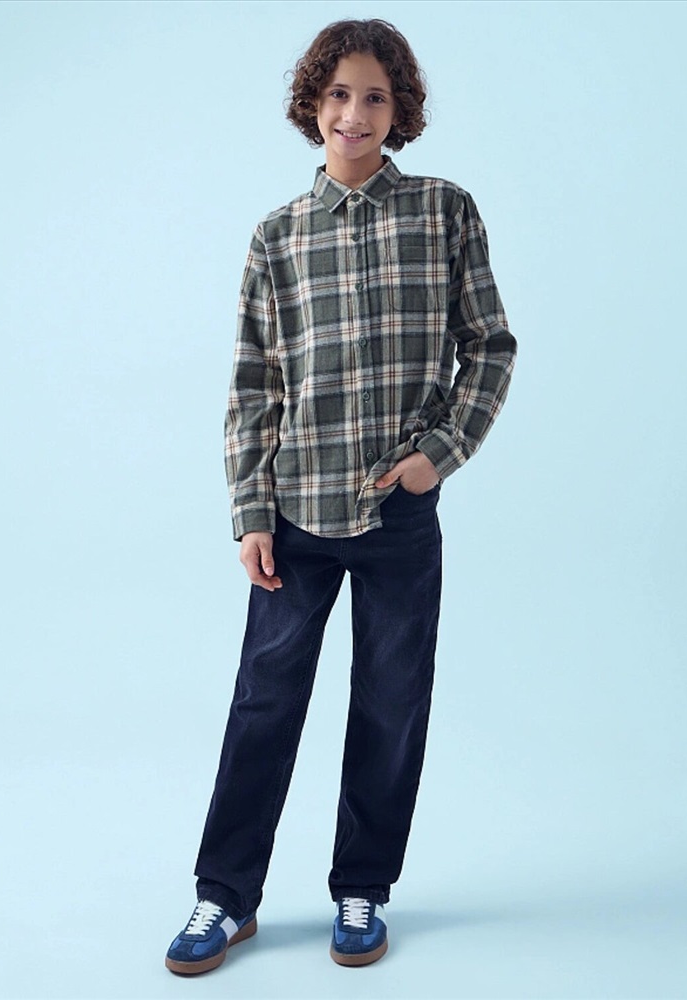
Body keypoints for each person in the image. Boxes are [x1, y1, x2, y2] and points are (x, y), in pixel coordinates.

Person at [165, 17, 517, 975]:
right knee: (264, 701)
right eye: (337, 95)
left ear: (399, 111)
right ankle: (223, 897)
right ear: (311, 105)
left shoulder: (444, 211)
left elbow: (489, 346)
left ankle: (363, 887)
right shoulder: (276, 237)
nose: (353, 113)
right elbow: (253, 388)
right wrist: (249, 513)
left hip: (398, 512)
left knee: (391, 701)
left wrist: (439, 454)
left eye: (374, 96)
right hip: (295, 514)